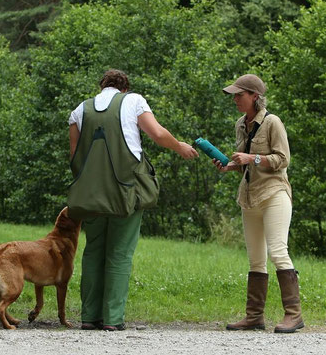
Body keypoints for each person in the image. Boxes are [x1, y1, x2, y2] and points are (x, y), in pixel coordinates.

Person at [68, 69, 198, 331]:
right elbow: (158, 135)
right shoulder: (134, 101)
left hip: (90, 196)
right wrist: (180, 146)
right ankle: (113, 320)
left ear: (102, 86)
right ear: (124, 88)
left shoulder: (79, 111)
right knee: (119, 253)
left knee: (93, 251)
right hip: (125, 193)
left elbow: (75, 159)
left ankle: (89, 318)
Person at [212, 74, 304, 333]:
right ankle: (254, 317)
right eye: (234, 95)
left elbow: (282, 159)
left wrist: (251, 158)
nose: (235, 99)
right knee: (255, 259)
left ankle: (293, 315)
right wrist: (230, 165)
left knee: (277, 251)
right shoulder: (240, 124)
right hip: (249, 196)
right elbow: (244, 164)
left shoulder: (273, 122)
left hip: (274, 193)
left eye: (239, 95)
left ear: (255, 96)